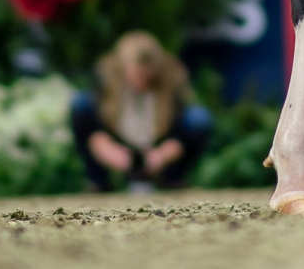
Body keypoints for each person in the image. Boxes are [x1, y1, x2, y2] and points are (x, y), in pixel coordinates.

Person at [69, 32, 212, 191]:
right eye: (137, 75)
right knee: (80, 104)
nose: (141, 82)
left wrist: (164, 154)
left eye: (146, 76)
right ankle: (98, 182)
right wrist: (104, 146)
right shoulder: (105, 80)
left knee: (198, 119)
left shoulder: (173, 80)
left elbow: (181, 126)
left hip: (159, 144)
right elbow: (93, 126)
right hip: (118, 142)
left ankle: (172, 179)